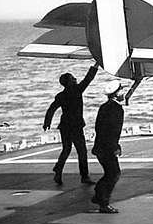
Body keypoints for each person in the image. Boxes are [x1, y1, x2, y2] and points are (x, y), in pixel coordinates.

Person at [43, 63, 98, 185]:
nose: (75, 79)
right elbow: (88, 78)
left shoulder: (61, 95)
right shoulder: (78, 90)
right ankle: (84, 176)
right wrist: (96, 65)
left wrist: (47, 122)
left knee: (66, 150)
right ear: (69, 82)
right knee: (82, 151)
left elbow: (51, 109)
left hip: (65, 126)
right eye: (73, 78)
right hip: (76, 126)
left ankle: (59, 168)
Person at [91, 80, 125, 214]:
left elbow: (99, 128)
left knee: (110, 173)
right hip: (107, 148)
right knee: (114, 174)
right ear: (116, 94)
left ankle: (98, 196)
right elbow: (112, 131)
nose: (123, 93)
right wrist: (115, 147)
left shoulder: (104, 106)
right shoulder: (116, 109)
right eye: (121, 90)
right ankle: (103, 202)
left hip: (100, 146)